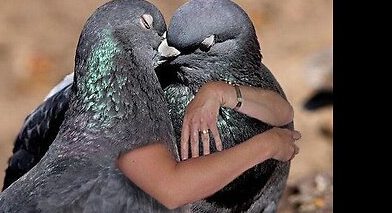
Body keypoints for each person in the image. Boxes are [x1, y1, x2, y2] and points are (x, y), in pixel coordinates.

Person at [117, 81, 299, 210]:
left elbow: (285, 114)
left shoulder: (175, 68)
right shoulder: (121, 102)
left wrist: (221, 92)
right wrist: (267, 145)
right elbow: (173, 190)